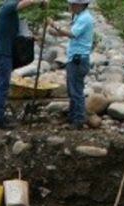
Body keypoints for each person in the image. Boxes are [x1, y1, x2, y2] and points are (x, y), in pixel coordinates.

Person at [0, 0, 46, 129]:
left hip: (0, 52)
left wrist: (33, 38)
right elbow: (26, 2)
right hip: (2, 53)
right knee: (2, 86)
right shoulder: (8, 7)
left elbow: (16, 35)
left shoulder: (9, 12)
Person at [49, 0, 95, 129]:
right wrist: (55, 31)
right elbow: (73, 34)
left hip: (78, 60)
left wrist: (55, 26)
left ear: (80, 5)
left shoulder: (84, 18)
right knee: (72, 90)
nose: (70, 6)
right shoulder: (80, 16)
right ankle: (72, 117)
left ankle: (78, 120)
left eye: (72, 4)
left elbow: (72, 34)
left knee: (76, 91)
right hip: (76, 58)